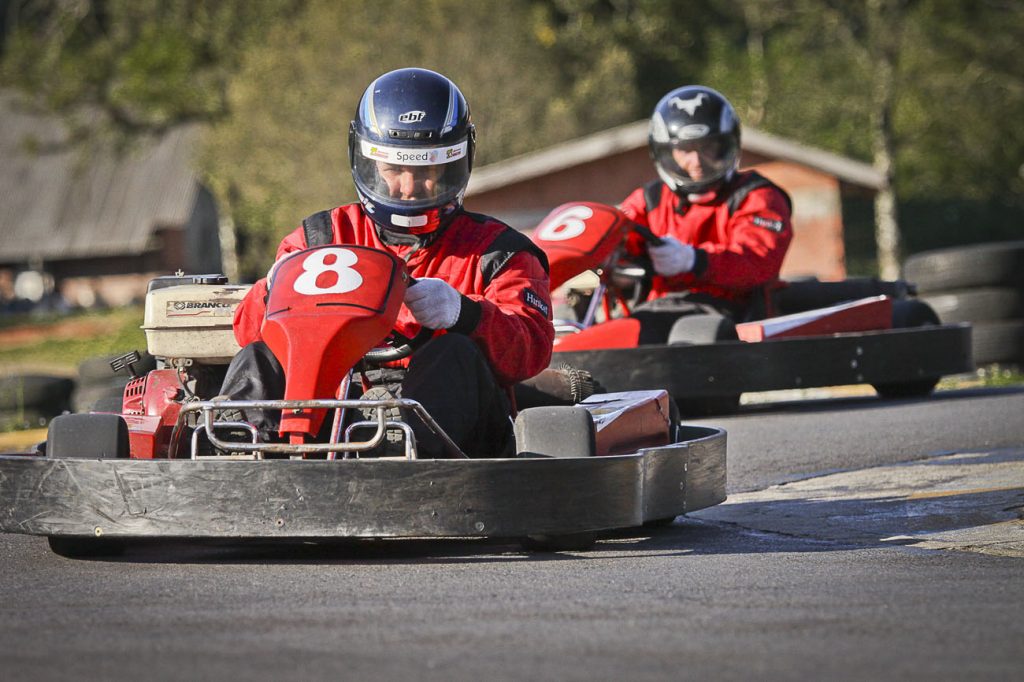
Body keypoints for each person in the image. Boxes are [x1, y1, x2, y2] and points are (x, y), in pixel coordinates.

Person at [221, 67, 555, 458]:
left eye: (426, 171)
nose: (409, 188)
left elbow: (531, 350)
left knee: (453, 353)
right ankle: (242, 458)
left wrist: (465, 315)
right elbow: (246, 331)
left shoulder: (498, 252)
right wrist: (272, 293)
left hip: (450, 437)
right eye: (394, 169)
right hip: (336, 411)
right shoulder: (323, 237)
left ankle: (397, 458)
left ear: (453, 165)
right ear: (368, 162)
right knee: (260, 356)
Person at [617, 85, 793, 344]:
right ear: (666, 152)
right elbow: (617, 230)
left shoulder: (756, 196)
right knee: (599, 326)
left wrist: (695, 260)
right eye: (685, 150)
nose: (697, 161)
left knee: (659, 332)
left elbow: (759, 261)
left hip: (728, 311)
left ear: (727, 145)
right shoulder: (651, 199)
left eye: (707, 147)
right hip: (657, 308)